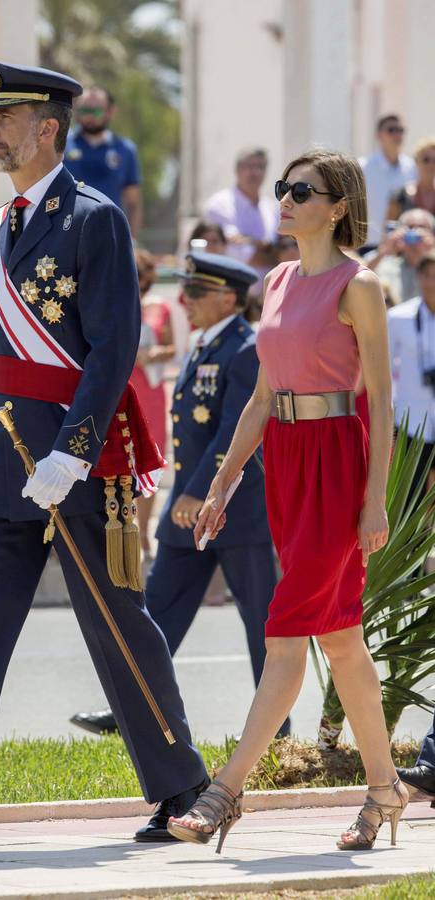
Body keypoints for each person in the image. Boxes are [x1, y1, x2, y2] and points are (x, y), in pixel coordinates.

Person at [0, 61, 208, 854]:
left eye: (5, 117)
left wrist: (74, 451)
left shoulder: (93, 219)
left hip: (73, 460)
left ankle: (183, 788)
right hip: (1, 457)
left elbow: (113, 346)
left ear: (48, 127)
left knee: (117, 623)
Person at [167, 149, 409, 854]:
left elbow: (381, 401)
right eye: (284, 188)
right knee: (341, 639)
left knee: (285, 630)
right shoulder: (273, 280)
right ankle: (384, 790)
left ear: (338, 208)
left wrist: (374, 499)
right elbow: (261, 397)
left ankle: (225, 790)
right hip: (287, 463)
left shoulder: (359, 285)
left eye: (303, 191)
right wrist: (222, 482)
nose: (286, 199)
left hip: (338, 461)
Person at [71, 251, 285, 740]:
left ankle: (277, 727)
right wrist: (186, 498)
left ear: (229, 299)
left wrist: (199, 493)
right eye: (186, 289)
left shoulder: (244, 348)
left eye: (197, 291)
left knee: (262, 624)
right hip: (188, 510)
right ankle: (131, 712)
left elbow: (235, 430)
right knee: (158, 614)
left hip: (235, 511)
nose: (186, 300)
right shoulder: (207, 344)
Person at [130, 248, 175, 557]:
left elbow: (172, 347)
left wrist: (156, 354)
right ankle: (124, 531)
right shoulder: (112, 304)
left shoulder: (160, 306)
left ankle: (144, 533)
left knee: (150, 458)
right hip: (122, 388)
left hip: (151, 389)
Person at [64, 86, 142, 237]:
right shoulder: (61, 145)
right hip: (68, 232)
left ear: (111, 112)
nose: (90, 116)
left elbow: (133, 202)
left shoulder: (125, 150)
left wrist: (131, 240)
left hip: (110, 233)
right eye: (85, 110)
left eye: (97, 111)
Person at [387, 252, 435, 496]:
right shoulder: (398, 317)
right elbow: (385, 369)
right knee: (409, 497)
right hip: (412, 419)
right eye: (427, 275)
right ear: (418, 277)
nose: (432, 282)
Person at [203, 147, 279, 285]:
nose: (255, 172)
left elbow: (288, 250)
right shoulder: (220, 204)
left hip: (269, 295)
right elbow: (238, 255)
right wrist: (268, 248)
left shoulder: (273, 208)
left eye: (260, 167)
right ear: (237, 170)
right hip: (230, 294)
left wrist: (250, 241)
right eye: (249, 166)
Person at [360, 114, 416, 248]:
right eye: (391, 130)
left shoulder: (412, 167)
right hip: (369, 244)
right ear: (378, 135)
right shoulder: (363, 167)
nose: (397, 134)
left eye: (400, 130)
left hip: (404, 247)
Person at [365, 208, 435, 303]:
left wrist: (432, 249)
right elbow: (360, 275)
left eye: (422, 227)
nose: (415, 231)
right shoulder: (386, 263)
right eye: (410, 227)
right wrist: (385, 249)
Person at [388, 137, 435, 220]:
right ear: (416, 161)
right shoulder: (400, 195)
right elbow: (390, 225)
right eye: (426, 160)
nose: (431, 165)